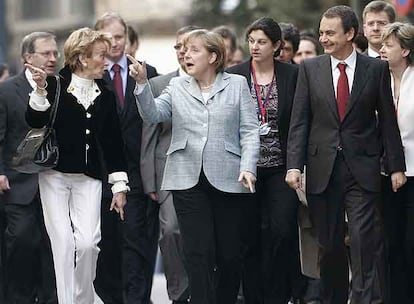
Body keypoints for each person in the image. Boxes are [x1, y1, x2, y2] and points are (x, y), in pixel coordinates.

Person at [285, 5, 406, 304]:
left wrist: (396, 168)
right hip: (322, 169)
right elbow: (300, 121)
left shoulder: (375, 69)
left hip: (362, 168)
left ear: (350, 34)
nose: (323, 38)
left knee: (366, 244)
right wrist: (293, 166)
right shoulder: (310, 70)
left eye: (330, 33)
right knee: (330, 247)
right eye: (321, 32)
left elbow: (387, 122)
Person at [130, 29, 259, 304]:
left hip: (228, 177)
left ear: (213, 56)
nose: (186, 55)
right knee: (196, 252)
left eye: (194, 50)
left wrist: (248, 166)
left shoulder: (236, 84)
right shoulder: (176, 86)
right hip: (186, 178)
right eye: (184, 50)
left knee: (228, 254)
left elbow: (249, 130)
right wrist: (141, 85)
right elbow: (153, 114)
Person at [25, 27, 128, 304]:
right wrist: (40, 91)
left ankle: (84, 298)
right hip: (54, 177)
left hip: (89, 177)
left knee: (88, 244)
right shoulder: (55, 85)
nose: (106, 62)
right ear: (82, 58)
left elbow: (113, 143)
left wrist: (119, 186)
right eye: (100, 56)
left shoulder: (105, 94)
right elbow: (34, 121)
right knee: (64, 244)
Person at [227, 17, 304, 304]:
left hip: (281, 168)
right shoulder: (235, 76)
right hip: (245, 168)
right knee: (248, 236)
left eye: (261, 42)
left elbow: (299, 122)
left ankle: (278, 294)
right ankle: (253, 296)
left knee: (282, 232)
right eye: (251, 41)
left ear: (276, 46)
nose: (255, 47)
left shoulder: (292, 76)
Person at [94, 12, 159, 304]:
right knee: (106, 247)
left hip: (137, 173)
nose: (115, 43)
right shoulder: (88, 76)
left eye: (119, 36)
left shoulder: (149, 72)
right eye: (108, 37)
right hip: (101, 175)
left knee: (136, 243)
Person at [140, 24, 201, 304]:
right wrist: (150, 181)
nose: (182, 52)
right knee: (172, 231)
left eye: (188, 46)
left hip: (207, 173)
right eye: (178, 46)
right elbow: (149, 136)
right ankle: (179, 293)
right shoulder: (159, 84)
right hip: (168, 175)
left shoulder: (218, 82)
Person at [0, 32, 57, 304]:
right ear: (27, 58)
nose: (53, 58)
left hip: (55, 183)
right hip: (17, 184)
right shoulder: (6, 90)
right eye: (46, 53)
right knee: (22, 242)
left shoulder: (60, 87)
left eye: (55, 53)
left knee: (53, 250)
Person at [379, 22, 414, 304]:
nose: (381, 49)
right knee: (390, 244)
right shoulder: (376, 78)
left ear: (405, 50)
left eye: (388, 45)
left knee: (410, 242)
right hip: (383, 172)